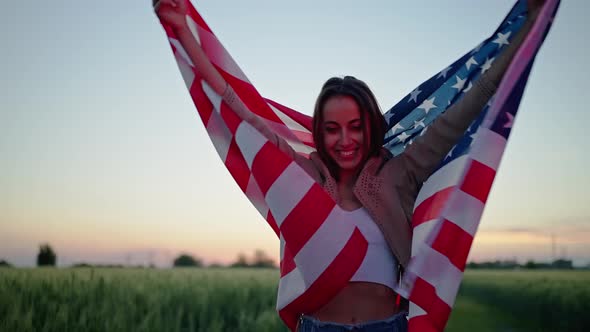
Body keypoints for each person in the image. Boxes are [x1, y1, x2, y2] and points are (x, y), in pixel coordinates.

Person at [153, 1, 545, 331]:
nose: (345, 141)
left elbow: (474, 101)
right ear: (320, 133)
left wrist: (529, 25)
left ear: (371, 126)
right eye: (333, 129)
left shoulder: (398, 174)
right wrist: (183, 34)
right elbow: (239, 112)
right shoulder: (305, 175)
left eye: (356, 127)